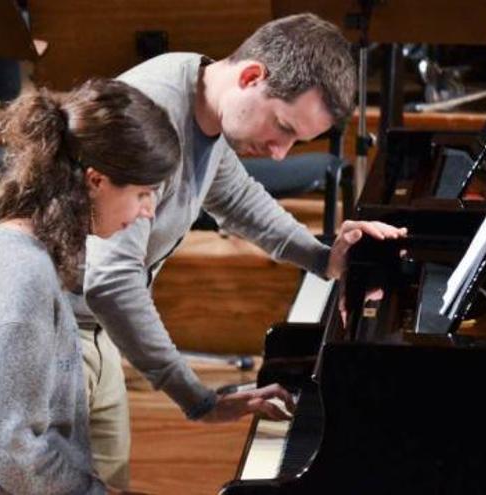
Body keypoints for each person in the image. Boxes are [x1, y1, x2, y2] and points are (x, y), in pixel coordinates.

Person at [70, 12, 408, 489]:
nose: (279, 153)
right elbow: (112, 280)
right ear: (252, 76)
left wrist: (323, 256)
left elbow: (237, 199)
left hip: (92, 329)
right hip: (51, 331)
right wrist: (198, 400)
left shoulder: (199, 88)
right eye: (283, 128)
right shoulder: (154, 112)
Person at [0, 79, 180, 494]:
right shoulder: (20, 275)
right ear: (96, 181)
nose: (149, 211)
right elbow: (7, 448)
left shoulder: (31, 250)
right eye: (143, 193)